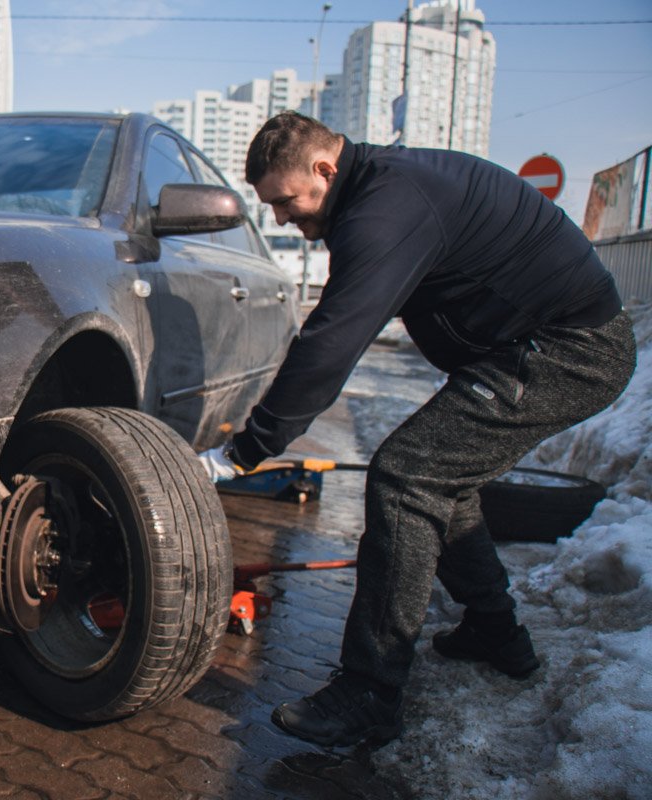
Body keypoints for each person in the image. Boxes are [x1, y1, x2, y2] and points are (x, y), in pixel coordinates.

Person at [200, 111, 635, 747]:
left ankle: (369, 692)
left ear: (325, 169)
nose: (281, 219)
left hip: (569, 349)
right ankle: (496, 633)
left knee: (406, 477)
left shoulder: (386, 207)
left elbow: (332, 341)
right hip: (527, 346)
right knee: (436, 478)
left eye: (285, 202)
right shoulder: (382, 190)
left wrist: (247, 449)